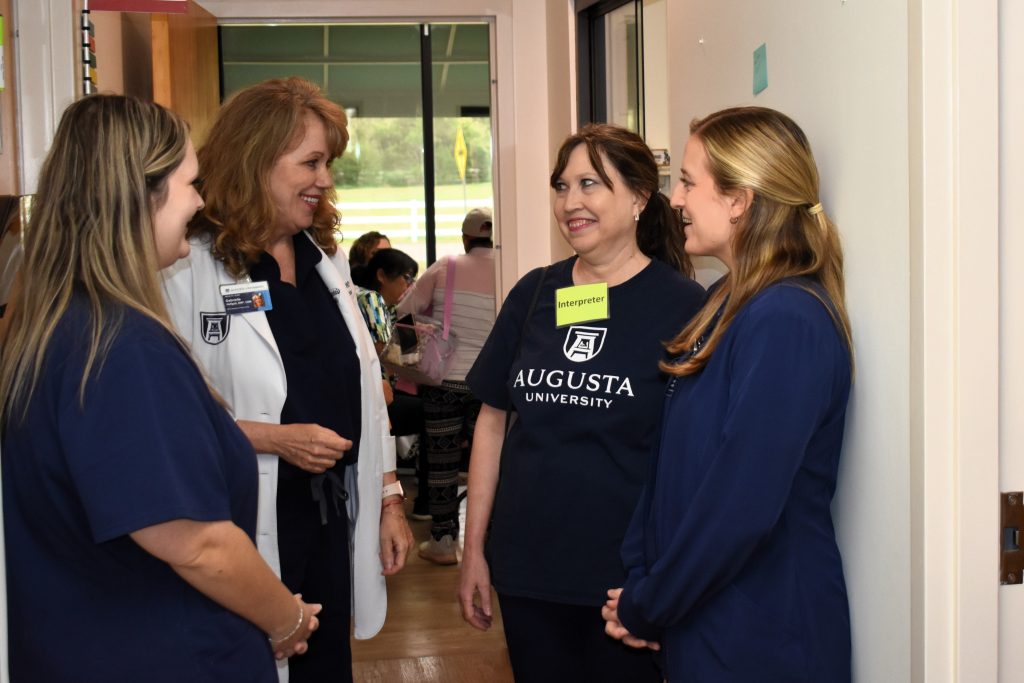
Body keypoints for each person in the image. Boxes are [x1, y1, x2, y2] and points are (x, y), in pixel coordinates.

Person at [0, 94, 319, 681]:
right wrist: (287, 619)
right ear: (140, 195)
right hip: (161, 651)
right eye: (189, 184)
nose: (200, 201)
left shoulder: (52, 327)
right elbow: (194, 542)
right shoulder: (120, 349)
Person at [161, 77, 413, 683]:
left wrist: (388, 499)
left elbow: (364, 386)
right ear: (256, 161)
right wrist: (271, 438)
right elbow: (171, 413)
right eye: (311, 162)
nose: (325, 179)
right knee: (249, 660)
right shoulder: (187, 265)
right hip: (243, 517)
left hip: (329, 513)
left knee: (325, 663)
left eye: (328, 163)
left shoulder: (319, 257)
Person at [602, 106, 854, 682]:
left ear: (740, 199)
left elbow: (740, 505)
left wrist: (652, 603)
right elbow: (672, 470)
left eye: (689, 182)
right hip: (707, 617)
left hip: (763, 631)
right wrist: (644, 582)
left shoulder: (787, 317)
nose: (677, 200)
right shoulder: (725, 301)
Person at [458, 124, 706, 682]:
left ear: (640, 196)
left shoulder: (684, 307)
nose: (570, 203)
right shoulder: (535, 293)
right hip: (527, 569)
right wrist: (475, 549)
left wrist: (666, 579)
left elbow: (695, 458)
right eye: (561, 186)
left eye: (590, 184)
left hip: (625, 581)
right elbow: (492, 423)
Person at [397, 206, 497, 565]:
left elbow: (404, 314)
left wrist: (412, 359)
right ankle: (490, 541)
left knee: (441, 461)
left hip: (444, 381)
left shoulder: (446, 267)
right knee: (490, 462)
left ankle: (442, 541)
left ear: (466, 237)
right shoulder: (511, 267)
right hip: (490, 384)